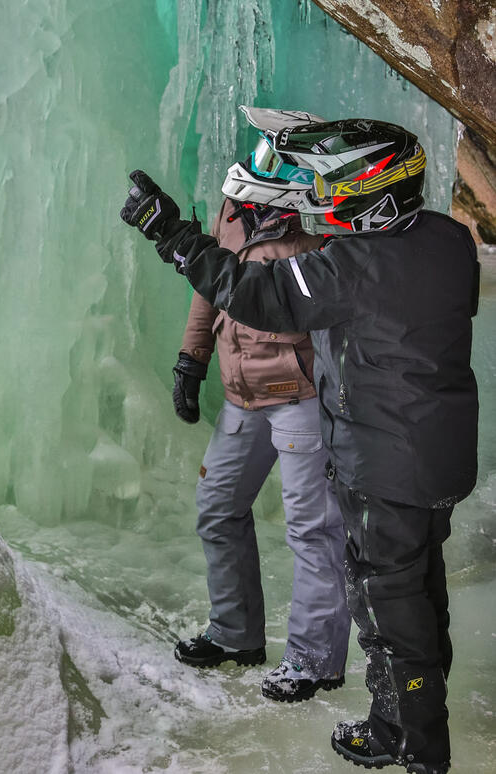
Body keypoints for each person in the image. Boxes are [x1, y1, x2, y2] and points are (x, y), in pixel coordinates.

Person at [120, 113, 479, 774]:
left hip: (385, 466)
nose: (325, 197)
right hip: (436, 458)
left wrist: (170, 234)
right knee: (418, 594)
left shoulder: (352, 266)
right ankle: (393, 719)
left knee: (390, 610)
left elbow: (250, 293)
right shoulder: (449, 242)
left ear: (369, 192)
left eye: (337, 186)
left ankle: (420, 750)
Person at [171, 108, 350, 703]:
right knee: (218, 507)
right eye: (261, 154)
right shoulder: (234, 210)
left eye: (274, 157)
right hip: (242, 394)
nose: (259, 165)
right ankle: (235, 634)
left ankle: (314, 659)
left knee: (313, 530)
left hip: (300, 394)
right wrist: (192, 359)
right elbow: (212, 285)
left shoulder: (323, 223)